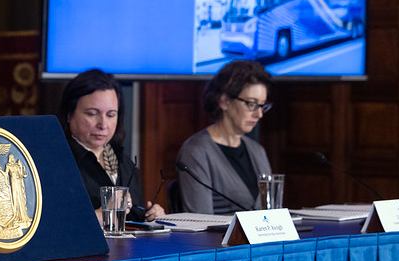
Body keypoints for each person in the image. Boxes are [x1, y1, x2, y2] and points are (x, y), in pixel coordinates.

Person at [58, 69, 165, 222]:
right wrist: (101, 215)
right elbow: (54, 223)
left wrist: (149, 216)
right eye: (92, 113)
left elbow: (130, 217)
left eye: (110, 115)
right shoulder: (56, 163)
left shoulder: (125, 164)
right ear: (69, 113)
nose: (103, 124)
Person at [176, 60, 273, 215]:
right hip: (221, 239)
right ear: (224, 101)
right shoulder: (196, 152)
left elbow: (271, 211)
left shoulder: (257, 151)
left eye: (262, 105)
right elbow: (200, 221)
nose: (259, 114)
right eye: (251, 104)